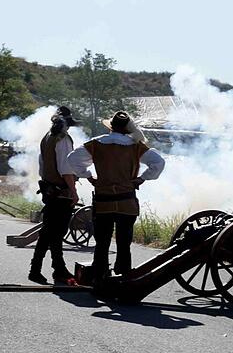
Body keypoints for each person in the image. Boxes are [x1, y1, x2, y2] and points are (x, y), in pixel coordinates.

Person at [68, 111, 165, 283]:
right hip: (127, 201)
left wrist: (88, 176)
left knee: (102, 243)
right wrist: (141, 179)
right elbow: (158, 162)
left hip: (103, 200)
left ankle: (100, 276)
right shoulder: (136, 146)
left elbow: (73, 158)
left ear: (111, 126)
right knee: (124, 243)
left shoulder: (97, 143)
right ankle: (123, 277)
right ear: (127, 128)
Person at [28, 106, 80, 284]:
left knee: (51, 232)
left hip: (49, 189)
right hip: (61, 191)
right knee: (54, 232)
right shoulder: (63, 139)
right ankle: (43, 269)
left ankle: (56, 269)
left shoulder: (47, 138)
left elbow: (43, 167)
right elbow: (66, 169)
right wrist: (73, 191)